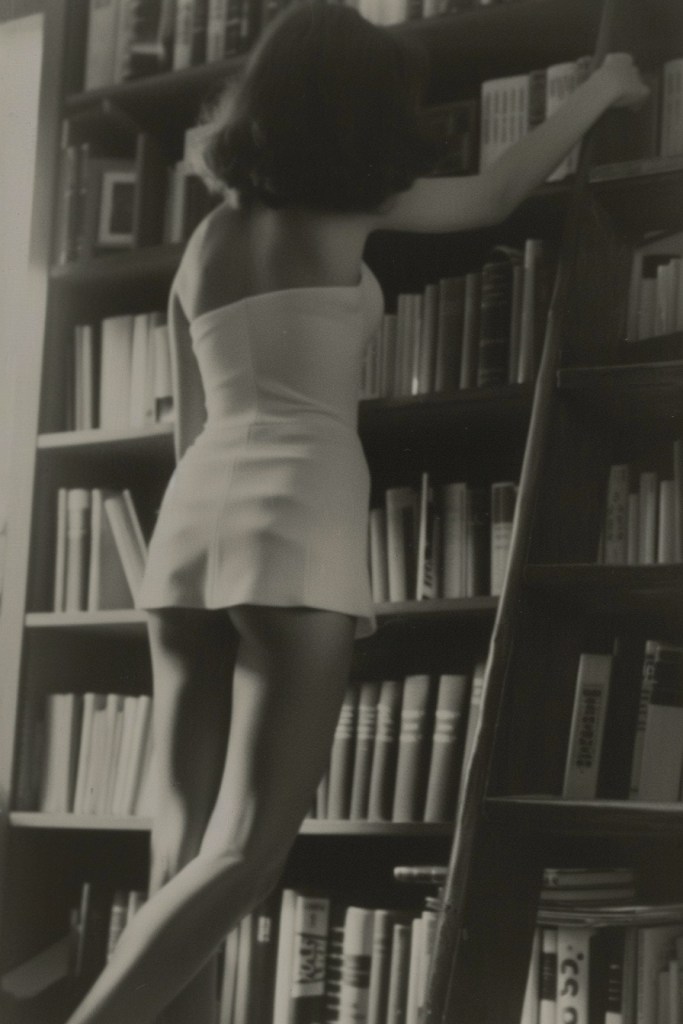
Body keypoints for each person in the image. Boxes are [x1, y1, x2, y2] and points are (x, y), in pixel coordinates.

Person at [65, 4, 648, 1022]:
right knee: (247, 854)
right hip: (293, 517)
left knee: (180, 847)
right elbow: (497, 191)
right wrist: (603, 87)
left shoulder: (206, 240)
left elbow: (188, 426)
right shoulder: (347, 206)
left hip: (188, 528)